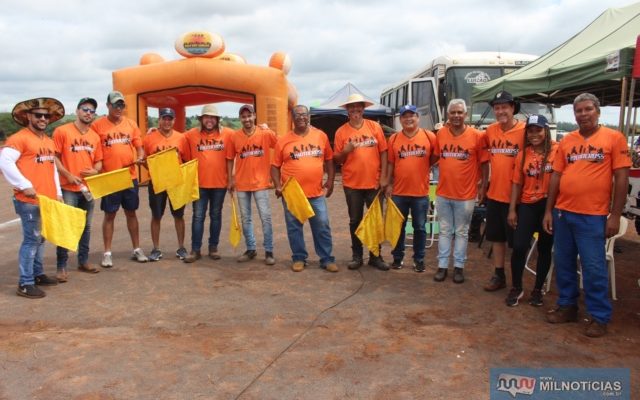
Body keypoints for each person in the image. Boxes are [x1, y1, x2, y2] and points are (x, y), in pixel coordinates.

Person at [543, 93, 631, 338]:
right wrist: (549, 210)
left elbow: (621, 178)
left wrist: (615, 215)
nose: (583, 114)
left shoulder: (614, 138)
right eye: (579, 110)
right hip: (563, 213)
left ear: (598, 111)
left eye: (588, 109)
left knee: (593, 267)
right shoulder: (567, 141)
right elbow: (557, 177)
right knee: (563, 263)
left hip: (593, 215)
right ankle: (568, 306)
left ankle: (599, 317)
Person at [0, 97, 64, 298]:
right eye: (38, 115)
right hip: (28, 201)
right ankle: (25, 283)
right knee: (31, 240)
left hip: (45, 199)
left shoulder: (48, 140)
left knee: (41, 238)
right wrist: (24, 185)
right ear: (28, 117)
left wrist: (58, 192)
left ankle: (37, 274)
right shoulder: (19, 138)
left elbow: (52, 168)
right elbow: (5, 162)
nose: (43, 118)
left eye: (46, 115)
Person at [271, 105, 337, 272]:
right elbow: (274, 166)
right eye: (297, 115)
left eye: (304, 114)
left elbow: (329, 160)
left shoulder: (320, 136)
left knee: (321, 225)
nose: (301, 117)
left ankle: (327, 259)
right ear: (292, 118)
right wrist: (278, 186)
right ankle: (299, 258)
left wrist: (330, 179)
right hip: (293, 194)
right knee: (294, 227)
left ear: (309, 117)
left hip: (316, 192)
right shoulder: (284, 140)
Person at [433, 99, 488, 283]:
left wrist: (484, 185)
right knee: (445, 231)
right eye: (453, 112)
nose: (456, 116)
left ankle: (458, 267)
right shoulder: (440, 134)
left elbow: (484, 163)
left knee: (462, 232)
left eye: (459, 112)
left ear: (465, 114)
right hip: (443, 193)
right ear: (448, 115)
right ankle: (442, 267)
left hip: (466, 195)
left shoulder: (477, 136)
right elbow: (433, 157)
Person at [333, 94, 389, 271]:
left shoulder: (374, 127)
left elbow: (384, 152)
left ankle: (375, 255)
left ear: (363, 109)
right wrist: (346, 151)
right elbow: (337, 159)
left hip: (374, 183)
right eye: (352, 107)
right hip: (352, 184)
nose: (355, 110)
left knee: (375, 221)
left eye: (358, 107)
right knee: (355, 220)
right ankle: (357, 256)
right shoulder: (341, 132)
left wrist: (384, 177)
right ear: (347, 110)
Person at [506, 115, 557, 307]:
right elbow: (516, 183)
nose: (534, 134)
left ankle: (537, 290)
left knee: (544, 248)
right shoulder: (523, 154)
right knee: (519, 246)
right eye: (531, 130)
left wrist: (551, 210)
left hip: (548, 205)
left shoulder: (557, 150)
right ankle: (517, 287)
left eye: (538, 130)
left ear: (546, 130)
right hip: (527, 204)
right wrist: (512, 209)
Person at [92, 91, 148, 267]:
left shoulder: (131, 124)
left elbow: (139, 147)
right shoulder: (97, 126)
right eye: (115, 105)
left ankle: (137, 249)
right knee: (110, 215)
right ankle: (107, 253)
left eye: (121, 105)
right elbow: (94, 151)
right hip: (110, 178)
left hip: (129, 176)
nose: (118, 108)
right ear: (108, 105)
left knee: (131, 213)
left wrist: (140, 156)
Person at [52, 97, 103, 281]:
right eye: (85, 109)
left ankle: (83, 261)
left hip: (87, 188)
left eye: (92, 111)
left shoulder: (94, 136)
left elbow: (98, 161)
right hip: (68, 187)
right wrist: (67, 175)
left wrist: (95, 169)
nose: (88, 113)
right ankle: (61, 266)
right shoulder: (62, 131)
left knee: (85, 227)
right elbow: (54, 157)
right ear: (77, 110)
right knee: (66, 225)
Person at [385, 105, 438, 272]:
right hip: (399, 193)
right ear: (400, 120)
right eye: (404, 116)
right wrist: (388, 184)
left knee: (420, 227)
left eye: (412, 116)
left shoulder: (429, 136)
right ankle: (398, 257)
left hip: (420, 193)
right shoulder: (393, 139)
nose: (408, 119)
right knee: (398, 227)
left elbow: (434, 158)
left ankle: (419, 259)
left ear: (418, 118)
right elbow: (391, 164)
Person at [482, 91, 525, 291]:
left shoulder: (526, 131)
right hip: (495, 195)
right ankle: (499, 275)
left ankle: (518, 281)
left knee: (517, 244)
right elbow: (474, 144)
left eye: (504, 107)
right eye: (497, 108)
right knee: (497, 238)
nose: (501, 111)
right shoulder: (490, 130)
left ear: (513, 108)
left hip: (518, 199)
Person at [226, 104, 277, 265]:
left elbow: (280, 144)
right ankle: (251, 249)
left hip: (261, 183)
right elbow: (229, 158)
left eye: (249, 116)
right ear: (240, 118)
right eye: (243, 116)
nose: (247, 119)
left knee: (265, 217)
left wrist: (269, 130)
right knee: (246, 218)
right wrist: (230, 179)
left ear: (254, 116)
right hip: (241, 183)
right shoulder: (234, 136)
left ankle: (269, 251)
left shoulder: (264, 133)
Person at [183, 104, 233, 263]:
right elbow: (174, 138)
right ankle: (195, 250)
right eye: (206, 117)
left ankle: (213, 248)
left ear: (217, 120)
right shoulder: (191, 135)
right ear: (201, 119)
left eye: (212, 117)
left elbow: (246, 136)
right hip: (199, 184)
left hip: (219, 184)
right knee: (198, 217)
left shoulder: (228, 135)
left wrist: (263, 128)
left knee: (216, 216)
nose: (209, 120)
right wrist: (154, 130)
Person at [142, 108, 189, 261]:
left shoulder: (181, 138)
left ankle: (181, 247)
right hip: (157, 183)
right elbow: (145, 160)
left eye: (170, 118)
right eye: (164, 118)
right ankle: (156, 249)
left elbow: (186, 160)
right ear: (159, 120)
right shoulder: (149, 138)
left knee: (179, 216)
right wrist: (153, 169)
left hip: (176, 182)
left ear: (174, 120)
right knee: (156, 215)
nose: (167, 122)